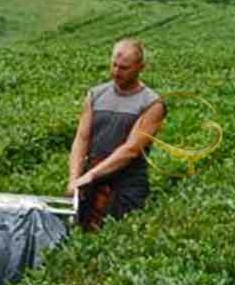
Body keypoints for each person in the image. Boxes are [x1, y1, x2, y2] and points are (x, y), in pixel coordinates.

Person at [68, 39, 166, 231]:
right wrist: (74, 178)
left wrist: (90, 175)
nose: (116, 72)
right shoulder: (95, 95)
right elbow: (82, 139)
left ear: (141, 67)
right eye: (114, 65)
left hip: (126, 184)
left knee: (117, 235)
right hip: (92, 181)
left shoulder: (152, 104)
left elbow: (131, 150)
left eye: (124, 68)